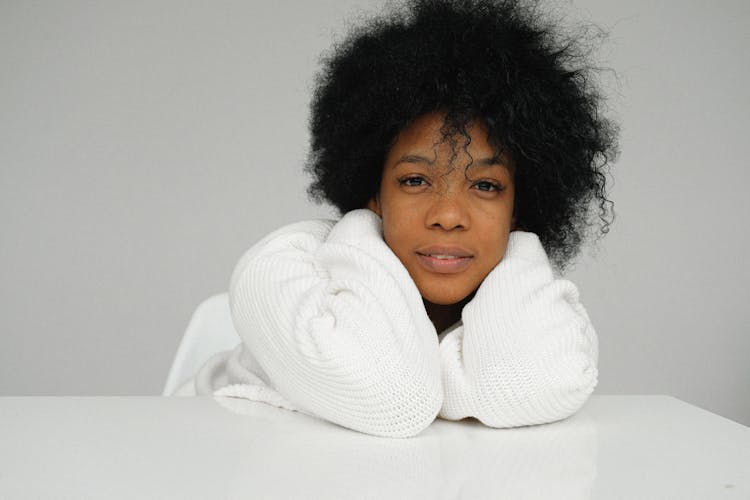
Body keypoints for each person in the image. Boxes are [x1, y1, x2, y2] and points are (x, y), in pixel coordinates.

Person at [180, 0, 618, 438]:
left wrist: (521, 247)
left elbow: (530, 388)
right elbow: (396, 401)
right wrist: (361, 230)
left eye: (487, 186)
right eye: (414, 181)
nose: (448, 216)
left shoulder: (525, 297)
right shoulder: (281, 267)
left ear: (519, 204)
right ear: (372, 189)